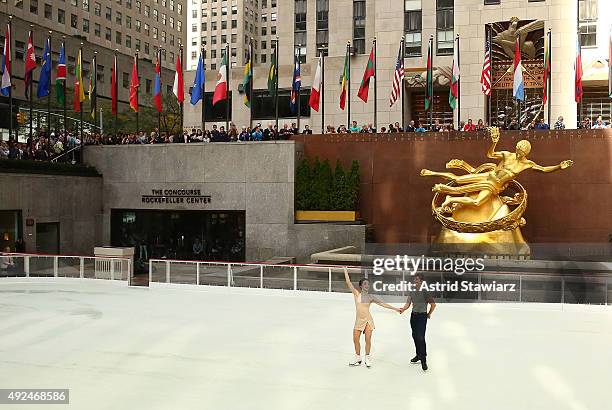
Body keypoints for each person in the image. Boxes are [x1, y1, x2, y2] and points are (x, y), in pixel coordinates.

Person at [344, 267, 400, 368]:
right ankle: (357, 358)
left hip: (368, 321)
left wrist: (395, 308)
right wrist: (345, 270)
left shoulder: (371, 297)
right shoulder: (357, 294)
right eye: (365, 284)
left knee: (368, 340)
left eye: (368, 284)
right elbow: (348, 282)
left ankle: (367, 357)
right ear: (361, 286)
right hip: (358, 321)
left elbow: (383, 304)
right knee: (355, 339)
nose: (367, 285)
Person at [399, 273, 436, 371]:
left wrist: (429, 314)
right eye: (414, 279)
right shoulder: (412, 291)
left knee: (421, 337)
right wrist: (403, 309)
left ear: (422, 281)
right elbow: (408, 303)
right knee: (415, 336)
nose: (415, 281)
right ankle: (418, 355)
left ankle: (423, 360)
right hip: (413, 316)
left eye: (417, 279)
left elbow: (433, 304)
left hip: (422, 317)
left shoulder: (425, 292)